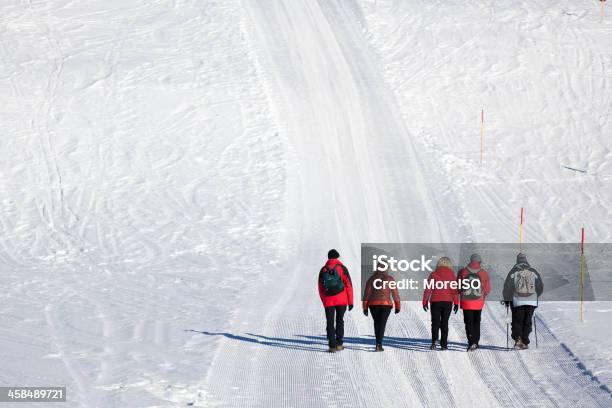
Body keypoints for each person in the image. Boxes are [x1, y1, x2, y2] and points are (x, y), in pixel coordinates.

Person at [503, 253, 544, 350]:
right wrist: (535, 296)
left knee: (517, 321)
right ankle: (525, 340)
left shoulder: (513, 272)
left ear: (517, 261)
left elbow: (507, 287)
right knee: (527, 321)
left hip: (517, 301)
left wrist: (507, 300)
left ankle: (518, 338)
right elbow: (540, 286)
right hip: (531, 301)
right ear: (526, 260)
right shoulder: (533, 272)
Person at [318, 249, 354, 353]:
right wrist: (350, 301)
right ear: (337, 257)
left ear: (328, 258)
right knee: (339, 320)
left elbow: (320, 287)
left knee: (329, 322)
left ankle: (331, 346)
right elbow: (348, 285)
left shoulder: (323, 270)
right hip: (341, 299)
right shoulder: (342, 268)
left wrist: (324, 300)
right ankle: (339, 344)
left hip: (328, 300)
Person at [422, 257, 459, 350]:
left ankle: (434, 341)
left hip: (435, 301)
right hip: (447, 302)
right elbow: (454, 290)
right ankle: (444, 344)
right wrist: (456, 303)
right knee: (444, 323)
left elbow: (428, 289)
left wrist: (425, 301)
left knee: (435, 322)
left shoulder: (433, 274)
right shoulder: (452, 275)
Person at [362, 263, 401, 352]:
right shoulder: (390, 279)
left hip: (373, 305)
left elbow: (366, 294)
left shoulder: (371, 279)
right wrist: (397, 306)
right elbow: (395, 293)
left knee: (376, 323)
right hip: (386, 305)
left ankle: (377, 343)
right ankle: (379, 344)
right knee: (382, 324)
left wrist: (365, 307)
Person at [457, 253, 491, 351]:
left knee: (468, 322)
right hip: (478, 302)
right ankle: (476, 341)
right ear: (479, 262)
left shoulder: (462, 271)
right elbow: (487, 289)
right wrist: (483, 294)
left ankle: (471, 341)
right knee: (477, 322)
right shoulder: (483, 273)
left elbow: (458, 287)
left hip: (466, 302)